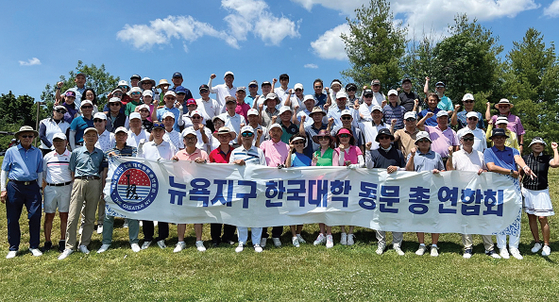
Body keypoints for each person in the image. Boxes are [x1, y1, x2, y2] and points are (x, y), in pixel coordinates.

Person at [446, 129, 500, 259]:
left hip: (479, 190)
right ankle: (468, 247)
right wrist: (449, 155)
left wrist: (484, 171)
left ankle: (489, 248)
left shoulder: (480, 154)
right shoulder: (456, 155)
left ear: (473, 141)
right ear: (461, 141)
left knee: (483, 219)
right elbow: (449, 170)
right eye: (466, 139)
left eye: (471, 139)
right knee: (466, 220)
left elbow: (487, 170)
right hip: (463, 191)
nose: (468, 141)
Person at [484, 128, 535, 260]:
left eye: (502, 137)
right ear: (493, 139)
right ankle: (502, 247)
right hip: (497, 187)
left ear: (505, 139)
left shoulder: (513, 150)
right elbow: (491, 167)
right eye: (496, 137)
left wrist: (524, 167)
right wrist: (511, 172)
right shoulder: (489, 151)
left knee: (515, 217)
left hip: (513, 187)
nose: (499, 139)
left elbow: (518, 159)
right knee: (500, 216)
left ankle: (514, 247)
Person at [58, 127, 106, 260]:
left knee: (90, 216)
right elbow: (72, 171)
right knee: (73, 216)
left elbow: (102, 170)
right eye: (88, 135)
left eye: (93, 135)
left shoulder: (100, 153)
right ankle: (69, 246)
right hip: (79, 181)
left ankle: (84, 243)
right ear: (83, 138)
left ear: (97, 138)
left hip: (94, 182)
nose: (91, 137)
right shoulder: (76, 152)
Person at [96, 127, 141, 254]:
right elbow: (105, 171)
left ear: (126, 137)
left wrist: (118, 157)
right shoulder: (108, 152)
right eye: (118, 135)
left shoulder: (133, 150)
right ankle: (106, 242)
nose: (121, 137)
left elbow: (134, 164)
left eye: (123, 135)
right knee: (109, 215)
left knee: (132, 214)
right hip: (112, 186)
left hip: (129, 186)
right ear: (115, 137)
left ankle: (134, 241)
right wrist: (104, 187)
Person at [1, 126, 44, 259]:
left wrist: (40, 188)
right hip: (15, 186)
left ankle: (34, 246)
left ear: (33, 138)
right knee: (13, 218)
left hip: (32, 186)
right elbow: (4, 171)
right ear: (19, 137)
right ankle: (13, 247)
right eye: (24, 136)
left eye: (30, 136)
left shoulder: (37, 152)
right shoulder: (11, 151)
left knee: (35, 216)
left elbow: (40, 171)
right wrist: (3, 189)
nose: (27, 139)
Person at [365, 128, 406, 256]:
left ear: (391, 139)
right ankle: (381, 243)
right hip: (379, 189)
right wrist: (367, 151)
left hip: (396, 190)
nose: (384, 140)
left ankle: (397, 244)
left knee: (397, 217)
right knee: (379, 217)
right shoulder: (373, 152)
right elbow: (369, 167)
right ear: (378, 140)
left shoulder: (398, 153)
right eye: (381, 138)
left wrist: (397, 168)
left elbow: (407, 169)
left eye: (387, 137)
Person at [405, 131, 445, 257]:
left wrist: (438, 172)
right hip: (418, 190)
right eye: (421, 141)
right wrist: (411, 156)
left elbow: (443, 171)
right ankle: (421, 244)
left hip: (433, 190)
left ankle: (434, 245)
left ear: (430, 143)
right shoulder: (412, 155)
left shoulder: (436, 156)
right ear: (417, 143)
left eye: (426, 141)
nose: (424, 143)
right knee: (419, 218)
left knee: (434, 218)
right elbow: (408, 170)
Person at [137, 122, 176, 250]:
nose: (158, 133)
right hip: (148, 181)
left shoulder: (169, 146)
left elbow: (174, 164)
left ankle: (162, 237)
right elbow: (140, 161)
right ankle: (148, 237)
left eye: (160, 130)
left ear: (164, 132)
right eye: (155, 131)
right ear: (152, 132)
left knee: (162, 210)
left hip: (164, 181)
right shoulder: (146, 146)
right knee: (148, 209)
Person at [172, 128, 209, 253]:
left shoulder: (203, 154)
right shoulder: (178, 155)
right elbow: (174, 173)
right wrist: (173, 163)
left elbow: (211, 172)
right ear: (183, 141)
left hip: (198, 188)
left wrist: (204, 163)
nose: (190, 140)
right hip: (182, 188)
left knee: (197, 215)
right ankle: (180, 241)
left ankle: (199, 240)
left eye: (192, 138)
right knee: (181, 215)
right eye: (187, 138)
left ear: (196, 140)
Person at [230, 126, 266, 253]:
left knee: (256, 214)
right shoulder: (235, 152)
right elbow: (230, 169)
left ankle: (256, 242)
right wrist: (236, 164)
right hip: (240, 187)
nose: (246, 136)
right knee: (241, 215)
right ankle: (242, 241)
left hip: (255, 188)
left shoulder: (259, 152)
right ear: (241, 136)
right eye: (244, 133)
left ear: (253, 136)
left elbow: (263, 170)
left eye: (249, 134)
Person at [522, 138, 559, 256]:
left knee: (542, 218)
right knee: (531, 217)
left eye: (540, 144)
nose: (537, 146)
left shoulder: (546, 158)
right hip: (527, 190)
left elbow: (556, 164)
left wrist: (555, 149)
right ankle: (537, 242)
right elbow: (520, 173)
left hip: (541, 191)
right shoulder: (526, 158)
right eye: (535, 144)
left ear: (543, 147)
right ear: (531, 146)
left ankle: (546, 244)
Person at [259, 124, 290, 247]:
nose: (275, 133)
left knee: (279, 208)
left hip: (280, 180)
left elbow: (288, 164)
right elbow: (259, 158)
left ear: (281, 133)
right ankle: (264, 235)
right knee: (265, 209)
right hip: (266, 180)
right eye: (273, 131)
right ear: (270, 133)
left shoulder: (286, 146)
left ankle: (276, 235)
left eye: (278, 131)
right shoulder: (264, 144)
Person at [41, 133, 72, 253]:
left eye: (61, 141)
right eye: (56, 141)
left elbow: (72, 174)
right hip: (50, 188)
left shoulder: (71, 156)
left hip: (66, 187)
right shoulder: (47, 157)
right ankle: (48, 241)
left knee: (64, 215)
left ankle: (63, 240)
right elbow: (43, 174)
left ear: (66, 142)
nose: (58, 143)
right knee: (49, 215)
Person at [209, 127, 238, 247]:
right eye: (221, 136)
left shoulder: (236, 152)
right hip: (217, 186)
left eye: (226, 135)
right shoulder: (213, 153)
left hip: (232, 185)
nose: (224, 138)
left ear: (230, 138)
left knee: (231, 211)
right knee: (217, 212)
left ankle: (228, 236)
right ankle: (215, 238)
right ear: (219, 138)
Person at [335, 128, 364, 245]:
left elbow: (362, 163)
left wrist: (354, 166)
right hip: (341, 182)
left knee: (352, 205)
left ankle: (351, 233)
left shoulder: (356, 148)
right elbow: (339, 164)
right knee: (342, 206)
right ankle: (343, 232)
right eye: (341, 136)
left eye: (346, 136)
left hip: (355, 180)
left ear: (350, 137)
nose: (344, 138)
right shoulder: (336, 150)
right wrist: (341, 152)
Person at [311, 130, 340, 248]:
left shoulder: (333, 153)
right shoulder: (315, 153)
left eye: (325, 138)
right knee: (320, 209)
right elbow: (312, 169)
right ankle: (321, 233)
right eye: (321, 138)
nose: (323, 140)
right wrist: (314, 162)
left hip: (328, 184)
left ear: (329, 141)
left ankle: (329, 234)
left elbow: (335, 169)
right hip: (317, 184)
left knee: (328, 209)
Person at [285, 134, 311, 247]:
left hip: (305, 188)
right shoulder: (293, 156)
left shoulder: (308, 158)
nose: (299, 144)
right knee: (293, 211)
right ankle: (294, 235)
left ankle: (299, 233)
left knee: (302, 212)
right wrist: (290, 152)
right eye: (296, 143)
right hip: (293, 187)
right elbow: (288, 166)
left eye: (301, 142)